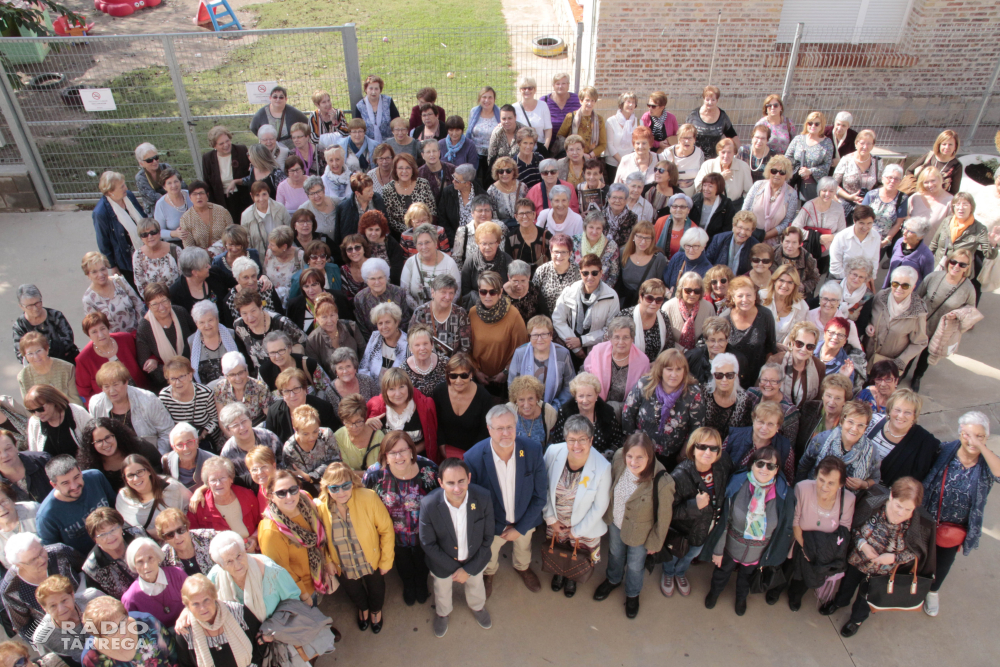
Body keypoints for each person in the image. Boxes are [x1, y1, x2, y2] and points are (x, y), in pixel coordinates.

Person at [819, 477, 934, 637]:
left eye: (908, 510)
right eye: (898, 506)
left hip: (883, 572)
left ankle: (856, 620)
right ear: (891, 496)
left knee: (868, 597)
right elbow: (852, 527)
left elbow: (916, 553)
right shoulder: (871, 503)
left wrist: (894, 558)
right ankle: (839, 602)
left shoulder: (919, 525)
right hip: (857, 560)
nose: (901, 513)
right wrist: (862, 545)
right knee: (847, 584)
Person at [920, 411, 1000, 617]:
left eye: (979, 436)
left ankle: (933, 592)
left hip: (954, 528)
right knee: (918, 555)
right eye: (967, 435)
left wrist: (980, 446)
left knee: (943, 563)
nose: (972, 440)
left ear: (986, 438)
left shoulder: (986, 465)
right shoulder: (945, 450)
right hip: (927, 519)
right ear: (960, 434)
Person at [464, 405, 546, 596]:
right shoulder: (473, 457)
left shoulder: (533, 451)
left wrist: (520, 528)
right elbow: (472, 502)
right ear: (489, 429)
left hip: (525, 520)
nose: (506, 433)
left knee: (523, 546)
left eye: (510, 427)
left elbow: (540, 495)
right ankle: (489, 573)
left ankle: (522, 567)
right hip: (492, 525)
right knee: (489, 554)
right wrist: (494, 527)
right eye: (499, 428)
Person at [703, 446, 794, 615]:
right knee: (721, 573)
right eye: (760, 464)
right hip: (731, 546)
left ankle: (741, 599)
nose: (764, 469)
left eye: (770, 466)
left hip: (757, 552)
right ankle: (714, 593)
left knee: (746, 578)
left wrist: (770, 556)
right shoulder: (737, 485)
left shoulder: (784, 495)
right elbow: (723, 521)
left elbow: (783, 530)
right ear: (751, 465)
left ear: (777, 470)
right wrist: (718, 550)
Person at [590, 433, 671, 618]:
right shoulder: (619, 458)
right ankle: (613, 579)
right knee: (615, 554)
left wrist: (655, 543)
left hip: (641, 534)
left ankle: (632, 594)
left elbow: (664, 516)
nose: (633, 462)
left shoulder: (661, 480)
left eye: (640, 457)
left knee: (635, 565)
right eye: (630, 456)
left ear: (649, 456)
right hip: (616, 523)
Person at [417, 457, 493, 637]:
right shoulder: (428, 504)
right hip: (442, 563)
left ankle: (478, 607)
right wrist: (457, 570)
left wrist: (469, 569)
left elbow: (488, 537)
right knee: (442, 590)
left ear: (469, 478)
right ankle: (442, 613)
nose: (457, 488)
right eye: (450, 483)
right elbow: (428, 543)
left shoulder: (483, 497)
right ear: (440, 483)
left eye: (461, 481)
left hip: (475, 559)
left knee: (476, 584)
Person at [361, 431, 438, 606]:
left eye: (403, 450)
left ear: (412, 451)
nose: (399, 456)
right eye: (392, 453)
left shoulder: (429, 469)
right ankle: (409, 585)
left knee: (422, 561)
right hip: (393, 536)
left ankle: (421, 584)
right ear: (385, 457)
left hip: (424, 533)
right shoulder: (375, 475)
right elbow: (366, 503)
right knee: (403, 563)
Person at [316, 462, 394, 632]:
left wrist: (386, 561)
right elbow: (320, 539)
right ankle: (363, 609)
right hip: (343, 563)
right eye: (334, 488)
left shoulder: (369, 497)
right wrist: (327, 561)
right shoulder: (321, 507)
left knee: (376, 588)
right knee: (354, 591)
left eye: (346, 486)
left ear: (353, 482)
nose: (341, 492)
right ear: (327, 488)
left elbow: (386, 530)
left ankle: (375, 611)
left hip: (371, 559)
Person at [541, 414, 612, 600]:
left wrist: (578, 531)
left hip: (585, 524)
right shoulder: (552, 452)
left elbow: (600, 505)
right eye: (571, 440)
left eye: (582, 440)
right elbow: (543, 488)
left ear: (591, 440)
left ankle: (571, 577)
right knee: (559, 550)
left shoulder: (603, 467)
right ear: (565, 439)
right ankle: (559, 571)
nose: (576, 446)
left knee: (577, 554)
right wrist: (550, 518)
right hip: (557, 520)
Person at [662, 428, 733, 598]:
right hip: (682, 532)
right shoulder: (679, 475)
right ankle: (668, 574)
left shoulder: (723, 465)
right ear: (692, 448)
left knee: (690, 555)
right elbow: (668, 511)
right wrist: (694, 505)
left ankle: (680, 573)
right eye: (702, 447)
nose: (708, 452)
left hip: (705, 531)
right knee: (673, 556)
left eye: (713, 448)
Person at [777, 456, 856, 610]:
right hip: (799, 541)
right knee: (787, 568)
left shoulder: (848, 499)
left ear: (840, 484)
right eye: (821, 480)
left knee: (807, 577)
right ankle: (776, 590)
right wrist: (806, 548)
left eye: (831, 483)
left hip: (822, 549)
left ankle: (795, 596)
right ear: (815, 476)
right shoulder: (803, 488)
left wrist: (818, 553)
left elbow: (844, 528)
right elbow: (795, 520)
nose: (824, 486)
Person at [205, 530, 303, 634]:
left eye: (239, 556)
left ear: (244, 551)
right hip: (239, 639)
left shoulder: (271, 570)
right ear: (221, 566)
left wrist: (273, 626)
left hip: (275, 635)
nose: (238, 564)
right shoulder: (215, 576)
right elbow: (201, 600)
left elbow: (293, 602)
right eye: (229, 561)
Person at [622, 348, 706, 468]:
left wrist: (682, 455)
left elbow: (697, 428)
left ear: (685, 371)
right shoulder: (645, 384)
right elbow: (628, 414)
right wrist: (632, 446)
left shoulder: (693, 393)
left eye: (678, 369)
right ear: (661, 370)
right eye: (669, 369)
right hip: (640, 452)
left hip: (673, 457)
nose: (674, 374)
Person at [0, 532, 90, 641]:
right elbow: (24, 627)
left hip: (92, 613)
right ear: (18, 565)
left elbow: (88, 571)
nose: (42, 560)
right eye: (33, 560)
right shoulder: (11, 589)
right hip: (63, 636)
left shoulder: (60, 552)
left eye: (42, 551)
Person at [256, 468, 328, 601]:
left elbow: (320, 540)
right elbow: (281, 570)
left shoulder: (305, 500)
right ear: (271, 496)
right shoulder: (270, 530)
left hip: (318, 578)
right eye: (281, 493)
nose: (289, 497)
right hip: (299, 592)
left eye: (293, 490)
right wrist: (304, 596)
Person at [912, 248, 978, 390]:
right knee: (910, 349)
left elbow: (970, 312)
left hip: (941, 330)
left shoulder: (968, 289)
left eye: (962, 264)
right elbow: (916, 296)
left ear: (967, 268)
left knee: (926, 355)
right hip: (921, 324)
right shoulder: (934, 277)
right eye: (953, 262)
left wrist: (958, 314)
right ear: (948, 262)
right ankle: (901, 373)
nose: (956, 266)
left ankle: (917, 376)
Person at [174, 574, 267, 667]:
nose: (202, 608)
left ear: (214, 596)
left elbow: (260, 641)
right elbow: (185, 665)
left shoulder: (238, 613)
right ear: (188, 606)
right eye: (195, 604)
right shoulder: (185, 632)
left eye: (206, 600)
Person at [88, 362, 174, 455]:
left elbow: (167, 431)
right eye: (106, 386)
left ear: (126, 382)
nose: (112, 391)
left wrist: (158, 456)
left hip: (149, 455)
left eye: (115, 384)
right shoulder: (96, 404)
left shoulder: (148, 399)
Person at [35, 455, 116, 553]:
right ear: (54, 485)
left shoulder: (96, 477)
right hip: (84, 563)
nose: (74, 486)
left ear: (80, 471)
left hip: (117, 543)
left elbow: (115, 508)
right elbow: (54, 553)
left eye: (76, 477)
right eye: (65, 483)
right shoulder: (46, 516)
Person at [798, 401, 880, 493]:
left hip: (846, 503)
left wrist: (864, 484)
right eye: (850, 422)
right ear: (842, 421)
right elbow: (803, 466)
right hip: (813, 492)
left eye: (860, 425)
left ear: (866, 428)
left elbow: (876, 478)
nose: (854, 429)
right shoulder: (822, 439)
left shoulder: (872, 451)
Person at [469, 271, 529, 395]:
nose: (488, 296)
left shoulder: (513, 315)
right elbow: (467, 347)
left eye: (493, 292)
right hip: (478, 381)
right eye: (483, 291)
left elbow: (522, 348)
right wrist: (476, 371)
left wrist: (506, 372)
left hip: (504, 382)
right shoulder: (472, 313)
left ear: (501, 292)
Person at [552, 254, 619, 363]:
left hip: (597, 351)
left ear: (601, 273)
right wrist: (575, 347)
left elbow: (611, 329)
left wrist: (582, 341)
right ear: (580, 273)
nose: (590, 277)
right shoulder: (569, 291)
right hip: (570, 348)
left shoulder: (611, 296)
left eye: (594, 273)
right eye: (585, 273)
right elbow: (558, 319)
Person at [186, 457, 261, 552]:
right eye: (213, 480)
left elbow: (261, 521)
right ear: (207, 483)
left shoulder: (247, 495)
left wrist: (254, 538)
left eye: (222, 478)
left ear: (231, 479)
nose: (218, 483)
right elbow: (192, 537)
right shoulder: (198, 506)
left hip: (252, 552)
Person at [863, 265, 928, 374]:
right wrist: (868, 325)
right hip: (866, 357)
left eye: (905, 286)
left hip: (889, 366)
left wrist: (900, 361)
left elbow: (920, 342)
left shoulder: (918, 313)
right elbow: (868, 316)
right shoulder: (880, 296)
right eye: (895, 284)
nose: (899, 289)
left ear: (913, 287)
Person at [867, 389, 939, 486]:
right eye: (897, 410)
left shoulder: (924, 442)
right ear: (889, 410)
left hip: (883, 497)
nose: (901, 416)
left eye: (907, 412)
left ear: (914, 416)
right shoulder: (872, 421)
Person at [80, 596, 175, 667]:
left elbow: (174, 655)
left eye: (122, 622)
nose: (122, 630)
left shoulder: (148, 623)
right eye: (111, 630)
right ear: (99, 634)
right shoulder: (90, 658)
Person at [430, 353, 491, 460]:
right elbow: (436, 422)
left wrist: (471, 455)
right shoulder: (439, 392)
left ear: (471, 374)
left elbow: (485, 432)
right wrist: (441, 444)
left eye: (464, 376)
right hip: (445, 452)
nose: (458, 381)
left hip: (474, 454)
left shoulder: (484, 397)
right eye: (453, 376)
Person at [116, 454, 191, 539]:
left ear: (149, 471)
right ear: (125, 478)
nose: (136, 478)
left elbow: (193, 507)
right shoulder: (123, 497)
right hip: (145, 549)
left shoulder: (172, 488)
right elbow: (124, 529)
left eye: (140, 472)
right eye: (130, 475)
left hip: (176, 542)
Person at [77, 417, 162, 492]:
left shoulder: (140, 447)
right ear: (91, 445)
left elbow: (160, 472)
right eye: (99, 441)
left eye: (108, 437)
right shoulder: (89, 467)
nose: (105, 444)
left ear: (117, 435)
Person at [720, 275, 778, 385]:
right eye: (740, 296)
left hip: (758, 378)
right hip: (730, 379)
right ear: (733, 297)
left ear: (755, 296)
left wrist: (763, 378)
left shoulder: (766, 315)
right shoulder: (724, 319)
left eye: (749, 295)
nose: (745, 300)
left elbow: (771, 348)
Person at [135, 284, 195, 391]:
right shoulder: (144, 328)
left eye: (164, 301)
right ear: (148, 305)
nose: (161, 307)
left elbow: (196, 337)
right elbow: (145, 363)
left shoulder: (180, 312)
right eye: (155, 304)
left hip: (193, 371)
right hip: (167, 382)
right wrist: (177, 376)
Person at [120, 536, 189, 627]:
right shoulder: (130, 599)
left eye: (150, 558)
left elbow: (197, 599)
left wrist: (187, 611)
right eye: (140, 562)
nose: (146, 566)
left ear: (158, 558)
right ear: (134, 565)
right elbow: (135, 630)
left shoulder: (177, 575)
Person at [92, 171, 145, 289]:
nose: (126, 188)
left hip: (145, 250)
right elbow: (103, 242)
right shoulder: (101, 213)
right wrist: (113, 266)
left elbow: (143, 216)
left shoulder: (129, 196)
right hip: (127, 260)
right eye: (122, 186)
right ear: (110, 191)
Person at [724, 397, 796, 481]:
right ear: (753, 420)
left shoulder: (785, 447)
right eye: (761, 422)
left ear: (778, 427)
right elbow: (719, 466)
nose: (764, 428)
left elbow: (788, 479)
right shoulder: (734, 437)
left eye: (770, 424)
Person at [264, 367, 340, 444]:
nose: (292, 395)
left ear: (305, 389)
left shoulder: (323, 408)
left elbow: (335, 437)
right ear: (281, 394)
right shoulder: (274, 412)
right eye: (286, 391)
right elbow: (270, 442)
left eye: (296, 388)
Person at [81, 251, 145, 336]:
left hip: (138, 334)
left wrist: (142, 331)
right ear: (88, 274)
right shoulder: (89, 300)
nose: (100, 274)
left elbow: (138, 304)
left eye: (103, 269)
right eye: (94, 272)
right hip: (117, 342)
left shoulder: (119, 281)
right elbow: (95, 327)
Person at [31, 574, 92, 663]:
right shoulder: (42, 637)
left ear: (72, 595)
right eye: (53, 606)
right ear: (44, 608)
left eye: (64, 600)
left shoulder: (92, 598)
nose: (61, 609)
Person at [12, 285, 78, 365]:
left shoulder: (56, 316)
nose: (35, 309)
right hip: (39, 367)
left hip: (65, 362)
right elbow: (21, 355)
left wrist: (38, 352)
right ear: (21, 307)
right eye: (30, 306)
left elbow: (68, 342)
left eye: (37, 303)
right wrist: (53, 347)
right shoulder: (20, 326)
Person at [741, 155, 800, 245]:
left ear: (786, 174)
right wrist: (750, 232)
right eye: (774, 171)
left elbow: (787, 222)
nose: (777, 174)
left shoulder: (792, 194)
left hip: (774, 243)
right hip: (749, 236)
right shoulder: (758, 185)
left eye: (782, 172)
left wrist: (764, 236)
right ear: (769, 171)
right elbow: (745, 211)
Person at [282, 404, 342, 487]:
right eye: (305, 434)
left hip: (332, 483)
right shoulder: (290, 449)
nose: (312, 437)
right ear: (296, 430)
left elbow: (335, 462)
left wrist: (311, 476)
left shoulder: (326, 434)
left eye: (315, 431)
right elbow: (298, 477)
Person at [202, 126, 252, 223]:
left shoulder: (241, 150)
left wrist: (236, 182)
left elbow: (251, 175)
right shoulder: (207, 158)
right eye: (221, 143)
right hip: (221, 199)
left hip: (242, 196)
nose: (226, 145)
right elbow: (207, 183)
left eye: (227, 141)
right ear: (214, 146)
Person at [218, 403, 283, 477]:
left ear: (250, 420)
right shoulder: (227, 453)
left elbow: (284, 465)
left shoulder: (269, 437)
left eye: (243, 421)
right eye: (235, 425)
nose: (242, 427)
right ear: (228, 430)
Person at [23, 385, 89, 458]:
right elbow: (35, 455)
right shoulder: (34, 422)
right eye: (32, 411)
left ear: (53, 401)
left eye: (40, 409)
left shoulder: (78, 412)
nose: (37, 414)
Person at [18, 333, 81, 407]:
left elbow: (75, 400)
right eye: (30, 353)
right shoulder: (23, 376)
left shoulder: (67, 368)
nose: (35, 357)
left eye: (38, 351)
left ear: (47, 349)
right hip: (41, 415)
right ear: (25, 356)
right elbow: (29, 406)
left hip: (67, 410)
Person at [790, 176, 847, 259]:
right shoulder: (809, 206)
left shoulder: (839, 208)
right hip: (807, 251)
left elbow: (842, 232)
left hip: (829, 253)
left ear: (835, 192)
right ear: (819, 190)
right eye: (824, 190)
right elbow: (795, 228)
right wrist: (817, 237)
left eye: (831, 191)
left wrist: (832, 237)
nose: (827, 194)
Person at [382, 154, 437, 237]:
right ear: (395, 170)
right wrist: (410, 231)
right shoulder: (388, 189)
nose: (404, 171)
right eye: (400, 168)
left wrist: (421, 229)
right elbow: (389, 219)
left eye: (408, 167)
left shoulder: (423, 184)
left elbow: (432, 211)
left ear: (413, 169)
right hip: (399, 237)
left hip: (425, 233)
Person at [684, 316, 749, 386]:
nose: (716, 345)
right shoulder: (691, 357)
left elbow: (743, 386)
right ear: (706, 340)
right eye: (712, 340)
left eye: (721, 340)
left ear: (727, 340)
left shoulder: (739, 360)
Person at [785, 111, 834, 203]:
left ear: (822, 125)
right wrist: (797, 168)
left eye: (816, 124)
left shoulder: (827, 143)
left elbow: (826, 167)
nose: (813, 126)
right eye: (810, 123)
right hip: (793, 181)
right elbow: (787, 158)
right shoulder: (798, 139)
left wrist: (810, 171)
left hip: (812, 185)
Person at [212, 352, 271, 427]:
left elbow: (269, 417)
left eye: (240, 372)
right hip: (231, 434)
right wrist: (234, 438)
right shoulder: (220, 388)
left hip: (256, 431)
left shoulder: (260, 387)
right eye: (232, 374)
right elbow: (222, 421)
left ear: (246, 369)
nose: (238, 378)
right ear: (225, 375)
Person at [333, 172, 388, 251]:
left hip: (377, 246)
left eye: (372, 189)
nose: (372, 193)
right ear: (357, 193)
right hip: (356, 249)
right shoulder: (344, 208)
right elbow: (342, 236)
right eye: (368, 191)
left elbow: (385, 225)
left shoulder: (377, 200)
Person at [664, 270, 716, 354]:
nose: (692, 294)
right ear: (681, 289)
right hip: (672, 354)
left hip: (700, 355)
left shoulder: (708, 307)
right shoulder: (668, 307)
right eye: (688, 290)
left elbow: (712, 335)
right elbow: (664, 338)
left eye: (697, 291)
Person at [460, 221, 513, 302]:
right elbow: (465, 290)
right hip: (476, 305)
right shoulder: (471, 261)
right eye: (484, 243)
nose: (487, 247)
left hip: (502, 305)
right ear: (478, 243)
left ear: (498, 242)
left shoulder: (507, 260)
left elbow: (511, 287)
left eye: (491, 243)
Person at [701, 353, 750, 441]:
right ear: (713, 375)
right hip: (702, 444)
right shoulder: (703, 393)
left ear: (736, 376)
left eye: (729, 375)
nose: (724, 380)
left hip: (728, 450)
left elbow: (741, 435)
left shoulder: (744, 401)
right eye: (719, 375)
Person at [180, 181, 236, 256]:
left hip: (226, 255)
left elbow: (232, 234)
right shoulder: (186, 218)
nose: (198, 197)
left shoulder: (222, 211)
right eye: (194, 194)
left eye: (202, 193)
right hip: (200, 259)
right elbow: (189, 247)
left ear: (207, 195)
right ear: (190, 197)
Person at [531, 233, 581, 315]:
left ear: (570, 253)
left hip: (570, 321)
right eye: (556, 251)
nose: (559, 256)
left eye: (564, 252)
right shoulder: (542, 271)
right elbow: (533, 297)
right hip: (546, 320)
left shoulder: (578, 272)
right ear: (550, 252)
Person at [862, 162, 909, 249]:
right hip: (865, 238)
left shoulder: (902, 198)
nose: (892, 181)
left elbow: (898, 223)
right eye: (889, 177)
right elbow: (860, 218)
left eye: (897, 179)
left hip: (883, 242)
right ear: (883, 178)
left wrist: (886, 241)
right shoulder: (871, 195)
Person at [158, 507, 218, 576]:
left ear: (187, 527)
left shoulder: (210, 537)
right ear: (164, 539)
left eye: (180, 530)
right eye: (170, 535)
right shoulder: (163, 557)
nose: (177, 537)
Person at [829, 206, 882, 281]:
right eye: (861, 223)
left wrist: (869, 279)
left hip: (863, 281)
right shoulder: (841, 237)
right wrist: (852, 281)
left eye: (869, 223)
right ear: (854, 221)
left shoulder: (876, 237)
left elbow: (874, 262)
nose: (865, 227)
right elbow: (835, 267)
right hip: (841, 279)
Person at [760, 265, 809, 344]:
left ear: (795, 286)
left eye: (790, 282)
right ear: (774, 281)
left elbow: (796, 335)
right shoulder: (761, 297)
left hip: (785, 350)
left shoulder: (802, 306)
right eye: (781, 280)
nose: (785, 285)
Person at [905, 129, 963, 196]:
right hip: (919, 195)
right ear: (939, 145)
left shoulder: (957, 165)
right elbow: (909, 171)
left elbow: (954, 191)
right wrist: (916, 189)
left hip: (938, 200)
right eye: (944, 144)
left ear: (955, 146)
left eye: (950, 144)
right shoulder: (929, 156)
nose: (947, 147)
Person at [132, 219, 182, 297]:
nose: (150, 236)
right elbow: (140, 285)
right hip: (155, 302)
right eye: (145, 234)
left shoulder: (175, 250)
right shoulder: (138, 256)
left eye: (153, 232)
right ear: (141, 238)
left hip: (177, 298)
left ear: (159, 233)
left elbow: (184, 278)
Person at [815, 317, 865, 394]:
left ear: (845, 341)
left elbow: (847, 396)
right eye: (831, 333)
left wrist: (843, 378)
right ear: (824, 333)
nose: (835, 338)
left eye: (840, 335)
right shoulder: (809, 348)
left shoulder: (846, 364)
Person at [686, 86, 738, 160]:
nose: (710, 102)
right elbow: (685, 134)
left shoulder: (723, 117)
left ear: (717, 100)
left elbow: (732, 135)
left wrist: (738, 151)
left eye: (713, 100)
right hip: (695, 157)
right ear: (703, 99)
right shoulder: (693, 116)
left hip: (715, 158)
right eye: (707, 99)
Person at [335, 394, 384, 472]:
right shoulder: (339, 436)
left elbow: (382, 468)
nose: (354, 427)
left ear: (364, 418)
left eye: (358, 421)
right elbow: (345, 470)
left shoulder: (378, 436)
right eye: (348, 422)